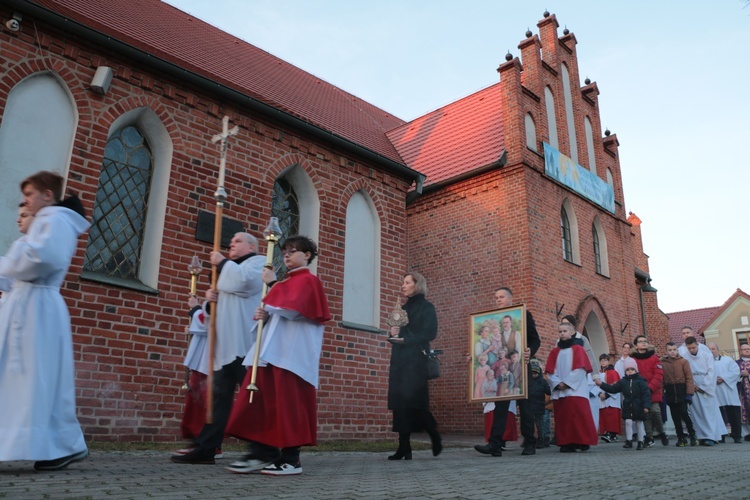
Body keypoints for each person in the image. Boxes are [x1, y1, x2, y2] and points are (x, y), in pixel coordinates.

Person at [0, 171, 90, 471]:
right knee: (24, 381)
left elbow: (41, 259)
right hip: (27, 305)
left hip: (37, 310)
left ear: (47, 195)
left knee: (36, 379)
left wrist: (7, 261)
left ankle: (61, 446)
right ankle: (55, 447)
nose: (25, 201)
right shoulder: (49, 221)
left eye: (29, 194)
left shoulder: (55, 220)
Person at [171, 232, 266, 465]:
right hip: (224, 345)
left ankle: (265, 448)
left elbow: (244, 283)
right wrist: (211, 300)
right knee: (218, 399)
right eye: (230, 241)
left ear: (252, 246)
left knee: (255, 397)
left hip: (246, 344)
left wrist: (222, 262)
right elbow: (218, 311)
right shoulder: (228, 269)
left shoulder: (259, 263)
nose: (231, 244)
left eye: (237, 241)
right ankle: (207, 448)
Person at [380, 271, 441, 462]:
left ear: (417, 285)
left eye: (407, 282)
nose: (403, 285)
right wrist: (393, 332)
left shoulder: (427, 307)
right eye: (403, 282)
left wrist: (406, 339)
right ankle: (404, 447)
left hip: (415, 362)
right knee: (400, 405)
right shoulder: (402, 309)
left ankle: (434, 434)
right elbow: (397, 334)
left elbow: (430, 333)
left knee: (415, 403)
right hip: (399, 361)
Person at [474, 286, 541, 457]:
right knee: (500, 405)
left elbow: (535, 340)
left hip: (519, 368)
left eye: (502, 297)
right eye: (496, 297)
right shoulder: (493, 321)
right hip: (502, 370)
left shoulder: (523, 314)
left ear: (511, 299)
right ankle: (495, 445)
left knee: (525, 406)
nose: (498, 300)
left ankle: (530, 443)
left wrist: (529, 351)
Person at [175, 295, 219, 456]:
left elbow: (210, 323)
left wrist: (195, 309)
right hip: (202, 357)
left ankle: (212, 444)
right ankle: (197, 439)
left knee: (208, 400)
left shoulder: (225, 298)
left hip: (213, 357)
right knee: (196, 398)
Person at [546, 322, 598, 452]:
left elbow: (580, 370)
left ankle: (582, 442)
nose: (562, 334)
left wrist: (567, 383)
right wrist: (558, 383)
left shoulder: (578, 349)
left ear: (571, 333)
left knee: (579, 417)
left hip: (576, 390)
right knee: (563, 418)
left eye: (565, 331)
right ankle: (566, 443)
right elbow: (551, 371)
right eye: (560, 332)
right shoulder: (554, 352)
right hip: (560, 391)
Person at [595, 358, 651, 450]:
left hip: (639, 405)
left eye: (632, 370)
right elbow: (612, 389)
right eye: (628, 370)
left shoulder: (641, 381)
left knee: (639, 423)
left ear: (636, 370)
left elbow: (646, 395)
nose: (630, 372)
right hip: (628, 405)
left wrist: (646, 406)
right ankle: (628, 440)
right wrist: (601, 384)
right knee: (628, 422)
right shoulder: (623, 381)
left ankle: (640, 441)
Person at [683, 336, 725, 446]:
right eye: (689, 348)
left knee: (708, 413)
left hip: (705, 386)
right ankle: (701, 436)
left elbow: (711, 372)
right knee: (697, 413)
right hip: (693, 384)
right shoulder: (684, 357)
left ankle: (711, 436)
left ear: (697, 345)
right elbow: (685, 373)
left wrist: (703, 386)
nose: (691, 350)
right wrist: (692, 385)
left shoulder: (707, 355)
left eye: (693, 347)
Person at [630, 335, 666, 447]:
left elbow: (659, 374)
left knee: (655, 411)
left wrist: (650, 388)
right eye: (640, 341)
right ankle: (649, 437)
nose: (643, 343)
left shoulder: (654, 358)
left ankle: (662, 432)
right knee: (646, 415)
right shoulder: (633, 360)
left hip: (653, 390)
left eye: (645, 341)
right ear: (636, 345)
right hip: (641, 392)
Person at [661, 341, 696, 447]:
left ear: (677, 350)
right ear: (666, 351)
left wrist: (689, 393)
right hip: (670, 391)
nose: (672, 352)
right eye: (670, 350)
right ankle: (681, 437)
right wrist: (663, 393)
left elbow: (689, 378)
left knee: (684, 413)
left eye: (674, 350)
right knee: (675, 416)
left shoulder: (683, 362)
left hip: (682, 390)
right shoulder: (663, 363)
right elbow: (661, 380)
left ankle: (692, 434)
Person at [0, 203, 34, 306]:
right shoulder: (23, 242)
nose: (18, 220)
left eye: (24, 215)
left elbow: (10, 276)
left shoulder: (33, 247)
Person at [708, 343, 742, 443]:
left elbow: (736, 372)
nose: (711, 351)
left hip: (729, 390)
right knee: (719, 414)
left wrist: (723, 378)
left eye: (713, 349)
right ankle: (721, 436)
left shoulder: (728, 360)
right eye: (709, 349)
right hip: (716, 391)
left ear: (718, 350)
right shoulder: (707, 363)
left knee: (734, 413)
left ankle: (737, 436)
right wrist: (714, 380)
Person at [598, 353, 621, 443]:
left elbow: (616, 385)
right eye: (601, 360)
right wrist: (600, 393)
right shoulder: (598, 373)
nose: (603, 362)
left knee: (612, 416)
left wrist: (607, 395)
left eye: (605, 360)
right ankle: (607, 432)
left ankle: (613, 434)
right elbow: (595, 385)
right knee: (604, 415)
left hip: (611, 398)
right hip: (601, 398)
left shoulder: (614, 372)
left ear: (608, 361)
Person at [528, 359, 551, 448]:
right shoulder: (527, 381)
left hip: (539, 406)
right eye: (532, 373)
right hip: (530, 405)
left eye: (535, 373)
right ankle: (530, 439)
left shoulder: (543, 381)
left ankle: (541, 439)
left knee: (539, 424)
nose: (534, 375)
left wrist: (551, 390)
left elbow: (548, 391)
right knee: (529, 424)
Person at [737, 344, 750, 440]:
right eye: (744, 349)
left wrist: (748, 374)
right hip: (741, 392)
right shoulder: (736, 363)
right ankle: (746, 433)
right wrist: (740, 374)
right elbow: (732, 374)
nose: (746, 351)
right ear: (740, 351)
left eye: (748, 349)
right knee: (743, 410)